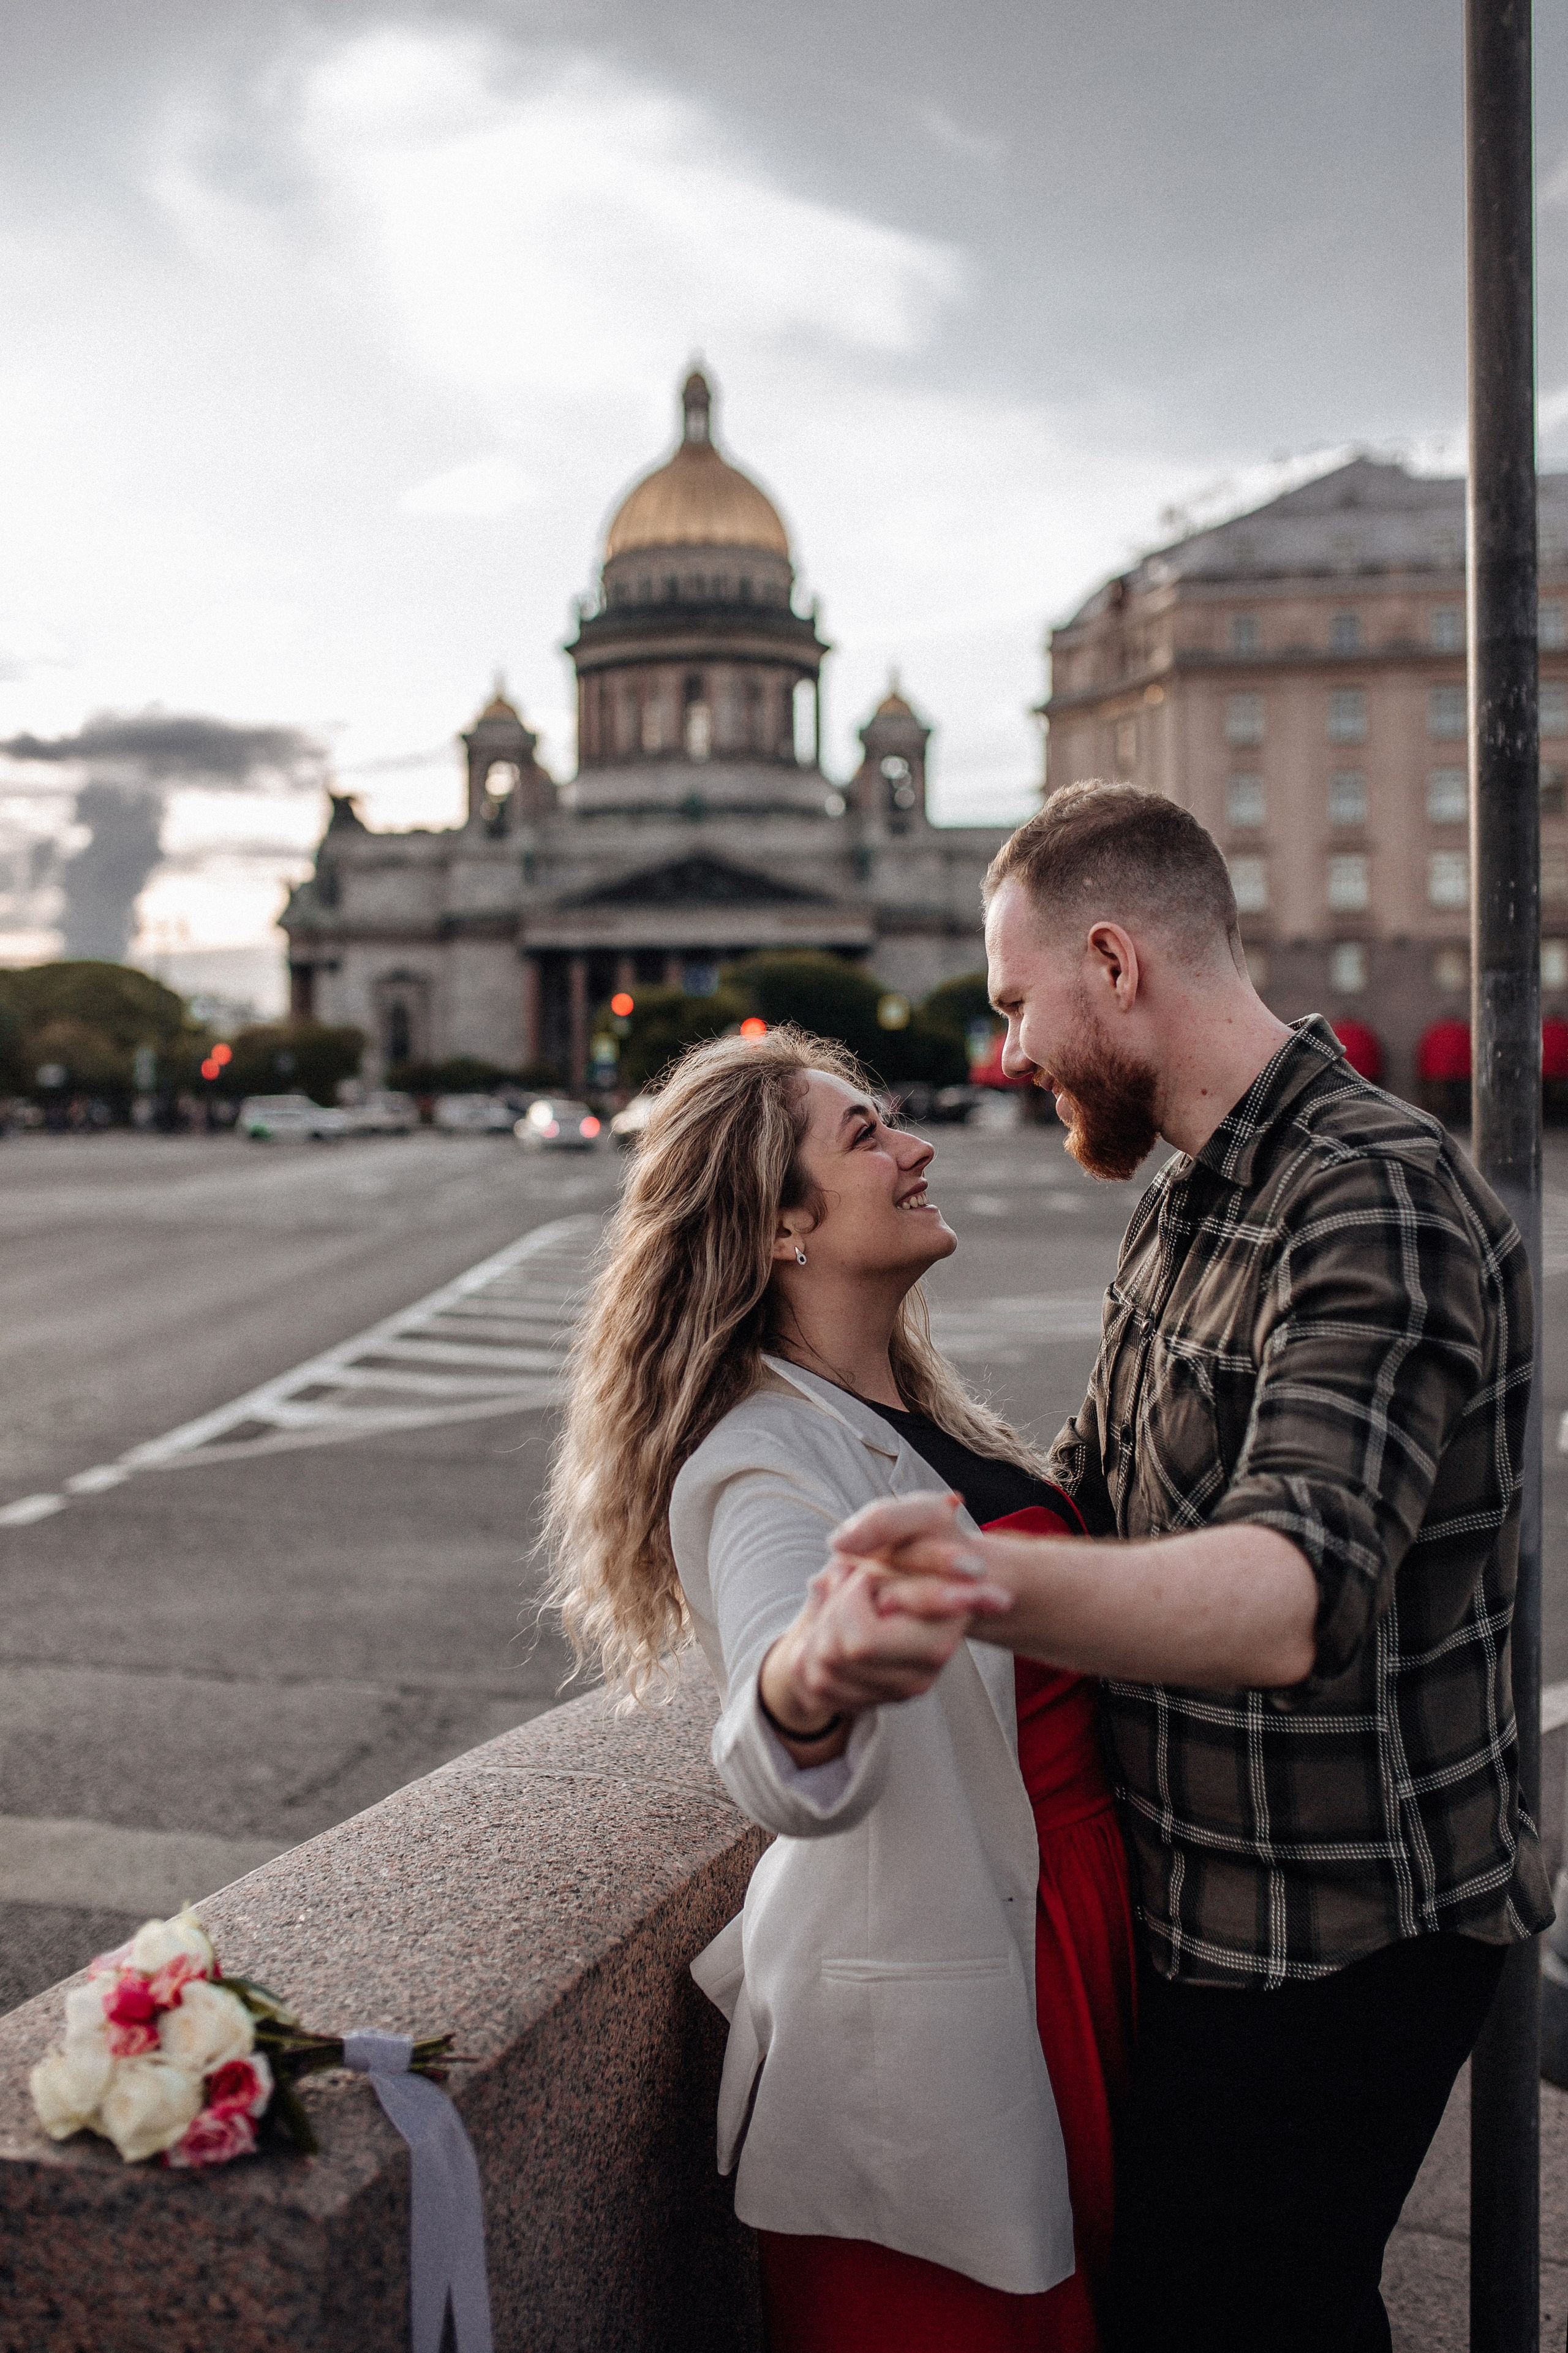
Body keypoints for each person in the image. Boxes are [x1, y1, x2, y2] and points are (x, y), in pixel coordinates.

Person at [831, 780, 1555, 2353]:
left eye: (1018, 1004)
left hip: (1336, 1932)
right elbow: (1096, 1491)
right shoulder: (1183, 1190)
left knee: (1238, 2317)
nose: (1009, 1051)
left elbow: (1285, 1591)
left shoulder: (1373, 1191)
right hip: (1200, 1906)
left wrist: (959, 1589)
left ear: (1113, 962)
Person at [542, 1025, 1139, 2353]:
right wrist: (809, 1683)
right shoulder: (760, 1458)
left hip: (1059, 1939)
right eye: (865, 1136)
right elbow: (768, 1722)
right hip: (941, 2017)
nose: (916, 1144)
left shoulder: (913, 1411)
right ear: (774, 1226)